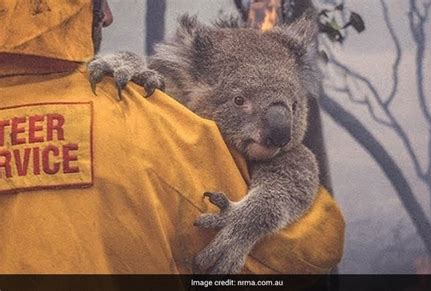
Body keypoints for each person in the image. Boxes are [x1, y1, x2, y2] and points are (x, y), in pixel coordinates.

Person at [0, 0, 344, 274]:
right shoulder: (157, 128)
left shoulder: (133, 96)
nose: (107, 16)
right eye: (96, 3)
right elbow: (316, 247)